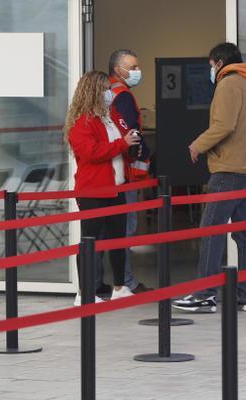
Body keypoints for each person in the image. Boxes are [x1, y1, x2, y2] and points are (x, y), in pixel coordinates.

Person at [172, 42, 246, 313]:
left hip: (229, 170)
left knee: (211, 230)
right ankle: (245, 295)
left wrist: (198, 145)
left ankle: (204, 293)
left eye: (211, 65)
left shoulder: (228, 84)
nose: (211, 70)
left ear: (219, 62)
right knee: (245, 235)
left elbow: (224, 125)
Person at [65, 71, 142, 306]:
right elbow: (92, 152)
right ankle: (85, 293)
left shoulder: (111, 116)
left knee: (117, 240)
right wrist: (122, 143)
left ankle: (119, 287)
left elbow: (119, 145)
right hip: (93, 191)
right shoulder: (81, 123)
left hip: (116, 187)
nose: (110, 93)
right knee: (90, 241)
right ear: (93, 92)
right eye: (105, 88)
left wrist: (131, 145)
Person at [97, 48, 151, 296]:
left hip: (107, 173)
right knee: (124, 230)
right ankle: (126, 281)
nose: (136, 71)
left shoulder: (104, 94)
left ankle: (101, 283)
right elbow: (132, 134)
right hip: (125, 173)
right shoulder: (123, 97)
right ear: (118, 69)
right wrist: (146, 152)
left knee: (102, 231)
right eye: (132, 67)